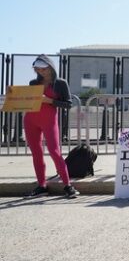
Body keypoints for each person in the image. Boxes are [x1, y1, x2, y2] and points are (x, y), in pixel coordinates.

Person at [23, 55, 79, 199]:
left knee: (55, 152)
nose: (41, 71)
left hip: (49, 122)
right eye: (38, 69)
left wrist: (48, 100)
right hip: (30, 120)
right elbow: (29, 102)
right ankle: (42, 186)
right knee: (36, 154)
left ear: (50, 67)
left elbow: (68, 104)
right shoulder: (33, 83)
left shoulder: (60, 83)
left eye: (43, 68)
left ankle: (68, 185)